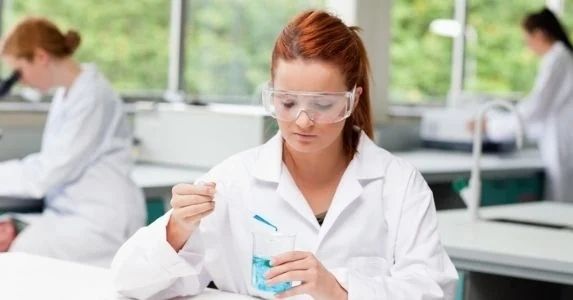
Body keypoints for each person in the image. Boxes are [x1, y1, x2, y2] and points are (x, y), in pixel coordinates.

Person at [112, 10, 457, 299]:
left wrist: (340, 291)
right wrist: (177, 228)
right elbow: (129, 281)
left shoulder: (397, 184)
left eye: (323, 104)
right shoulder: (234, 181)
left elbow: (432, 289)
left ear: (352, 99)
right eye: (287, 102)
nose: (303, 120)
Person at [0, 17, 145, 266]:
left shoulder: (93, 96)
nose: (20, 81)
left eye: (19, 71)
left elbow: (48, 171)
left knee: (17, 259)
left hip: (100, 221)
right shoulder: (68, 94)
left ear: (41, 57)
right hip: (72, 215)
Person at [484, 7, 573, 202]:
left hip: (563, 145)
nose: (528, 45)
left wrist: (491, 126)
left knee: (561, 210)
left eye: (527, 38)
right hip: (560, 143)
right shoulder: (562, 58)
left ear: (540, 33)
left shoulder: (558, 59)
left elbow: (536, 108)